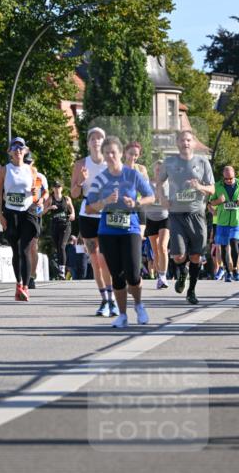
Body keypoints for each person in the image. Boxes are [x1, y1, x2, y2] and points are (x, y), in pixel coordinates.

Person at [85, 136, 155, 328]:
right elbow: (89, 207)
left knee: (133, 274)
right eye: (106, 153)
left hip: (130, 228)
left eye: (113, 153)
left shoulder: (132, 175)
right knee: (117, 275)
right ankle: (122, 315)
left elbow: (151, 196)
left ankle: (139, 305)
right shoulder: (100, 179)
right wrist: (104, 202)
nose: (110, 156)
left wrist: (137, 203)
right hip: (108, 231)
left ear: (121, 154)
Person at [157, 130, 215, 306]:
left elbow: (212, 189)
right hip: (176, 214)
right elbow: (159, 182)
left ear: (194, 143)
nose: (185, 143)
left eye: (188, 140)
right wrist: (162, 198)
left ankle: (191, 291)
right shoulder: (169, 162)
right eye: (182, 140)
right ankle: (182, 272)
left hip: (197, 213)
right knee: (178, 255)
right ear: (177, 143)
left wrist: (199, 187)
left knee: (196, 255)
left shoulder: (202, 162)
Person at [70, 126, 116, 317]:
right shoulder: (81, 164)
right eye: (92, 138)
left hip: (107, 215)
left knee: (107, 261)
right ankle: (105, 300)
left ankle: (113, 298)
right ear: (88, 143)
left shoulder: (111, 163)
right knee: (95, 261)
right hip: (88, 216)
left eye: (99, 138)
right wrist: (80, 181)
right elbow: (73, 194)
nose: (96, 141)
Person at [0, 137, 44, 301]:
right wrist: (0, 215)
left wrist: (35, 192)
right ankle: (18, 283)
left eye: (21, 148)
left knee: (26, 249)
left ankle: (26, 287)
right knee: (16, 250)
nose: (18, 151)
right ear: (10, 152)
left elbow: (37, 191)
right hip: (11, 212)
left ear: (25, 151)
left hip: (28, 211)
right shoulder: (3, 170)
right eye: (14, 148)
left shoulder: (32, 170)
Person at [209, 165, 239, 282]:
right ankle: (227, 271)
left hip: (236, 221)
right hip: (222, 222)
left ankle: (236, 269)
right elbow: (211, 203)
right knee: (223, 246)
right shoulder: (217, 186)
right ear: (223, 177)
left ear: (234, 175)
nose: (228, 181)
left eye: (230, 178)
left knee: (234, 243)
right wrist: (218, 201)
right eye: (226, 179)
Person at [24, 151, 49, 288]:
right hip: (21, 211)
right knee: (23, 245)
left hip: (35, 211)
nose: (27, 165)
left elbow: (46, 192)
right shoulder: (18, 175)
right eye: (25, 162)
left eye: (29, 162)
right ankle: (24, 273)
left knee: (33, 245)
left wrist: (42, 199)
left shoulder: (40, 177)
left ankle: (32, 275)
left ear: (33, 162)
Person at [145, 160, 170, 288]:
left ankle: (163, 276)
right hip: (150, 218)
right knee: (155, 250)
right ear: (154, 170)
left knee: (162, 247)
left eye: (162, 169)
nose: (159, 171)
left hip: (165, 218)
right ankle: (160, 277)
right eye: (157, 169)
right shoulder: (147, 183)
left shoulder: (169, 184)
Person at [48, 180, 75, 280]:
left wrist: (72, 214)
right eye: (55, 187)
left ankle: (62, 271)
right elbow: (42, 211)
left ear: (62, 188)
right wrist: (50, 207)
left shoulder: (66, 199)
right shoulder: (50, 199)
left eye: (59, 187)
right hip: (55, 225)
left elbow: (72, 211)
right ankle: (61, 268)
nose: (57, 188)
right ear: (53, 189)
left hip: (65, 225)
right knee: (57, 247)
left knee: (62, 246)